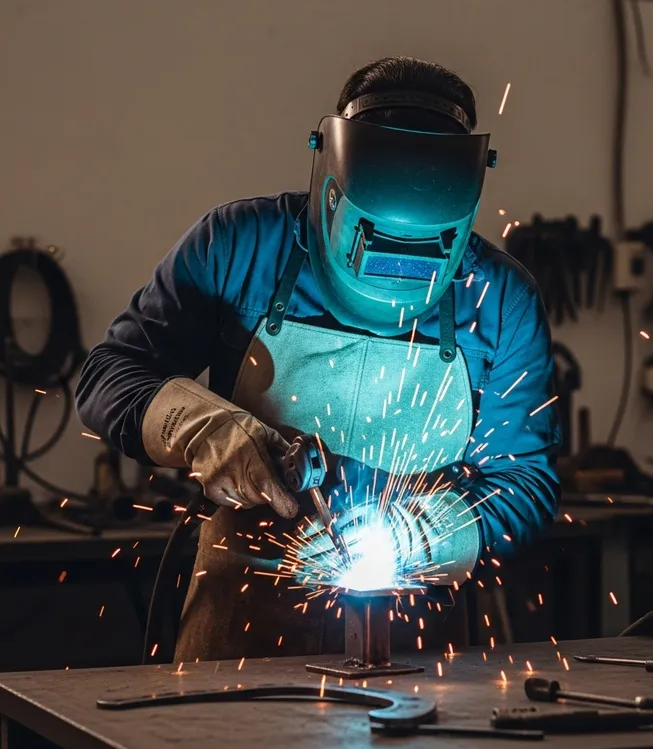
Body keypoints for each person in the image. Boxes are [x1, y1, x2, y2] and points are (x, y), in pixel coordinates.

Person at [76, 56, 561, 663]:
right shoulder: (240, 245)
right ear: (331, 181)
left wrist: (420, 534)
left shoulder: (500, 299)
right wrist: (202, 427)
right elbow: (109, 375)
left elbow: (526, 482)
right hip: (242, 610)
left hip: (418, 633)